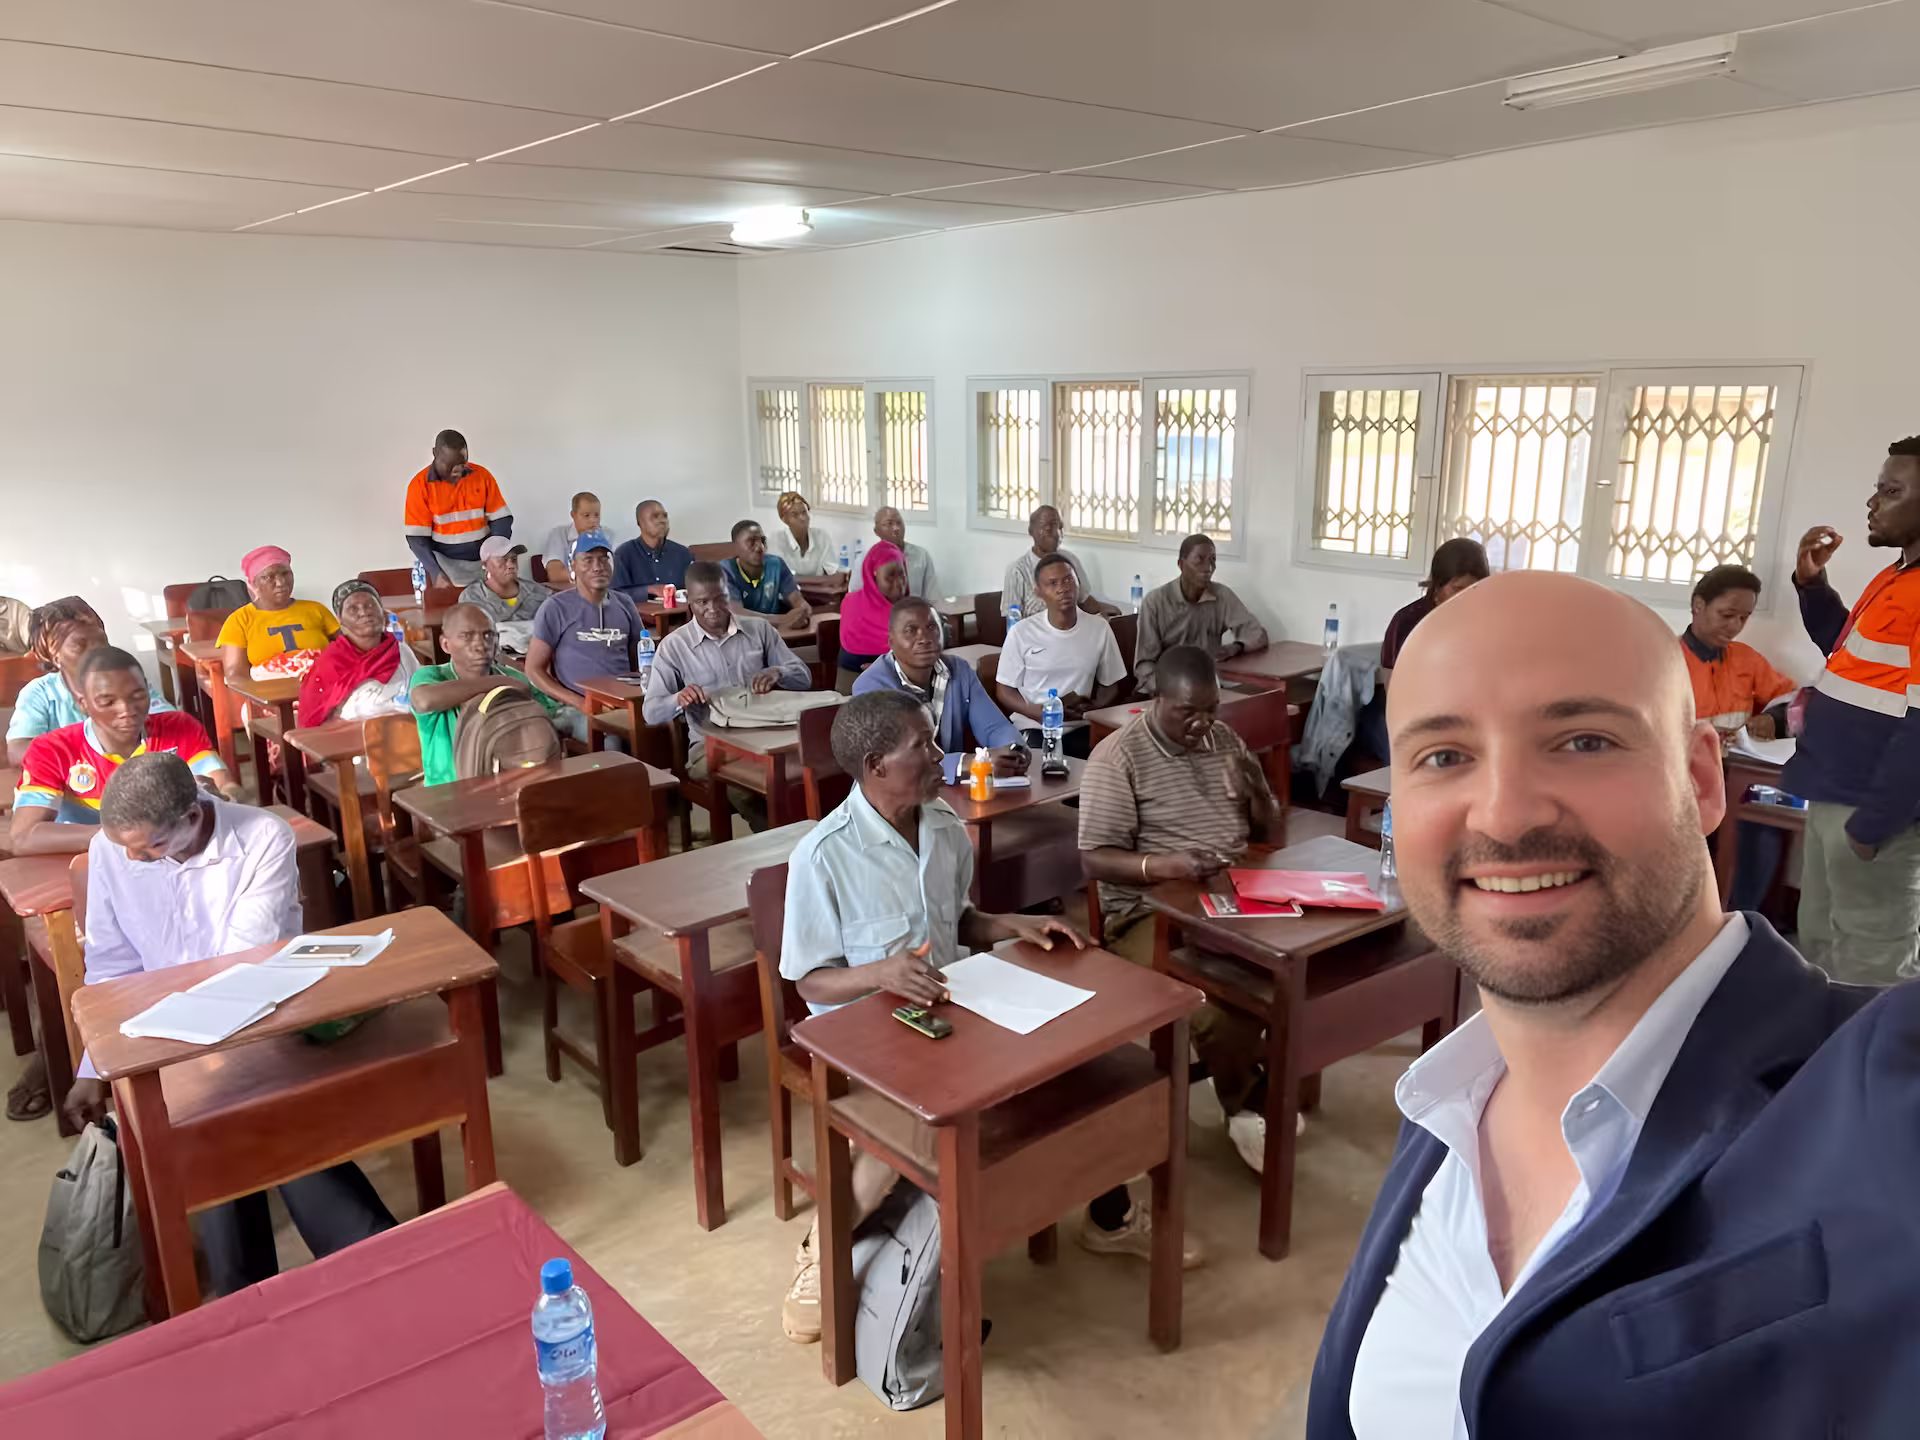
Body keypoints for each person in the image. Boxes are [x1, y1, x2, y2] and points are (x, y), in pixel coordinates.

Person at [1309, 569, 1920, 1440]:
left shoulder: (1879, 1102)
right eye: (1444, 756)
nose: (1508, 814)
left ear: (1703, 782)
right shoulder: (1441, 1108)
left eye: (1585, 740)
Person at [777, 692, 1198, 1343]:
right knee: (905, 1131)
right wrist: (882, 973)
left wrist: (1012, 925)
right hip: (865, 1039)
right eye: (920, 745)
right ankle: (823, 1248)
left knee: (1079, 1067)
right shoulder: (823, 855)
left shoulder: (943, 825)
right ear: (874, 765)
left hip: (952, 1009)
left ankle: (1106, 1215)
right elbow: (810, 977)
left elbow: (960, 920)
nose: (937, 753)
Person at [60, 754, 397, 1296]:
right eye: (125, 846)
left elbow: (242, 964)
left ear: (192, 817)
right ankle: (364, 1256)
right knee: (221, 1114)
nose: (133, 858)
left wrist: (192, 1056)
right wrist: (92, 1066)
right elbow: (111, 966)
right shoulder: (110, 851)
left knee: (228, 1108)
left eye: (149, 847)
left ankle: (255, 1285)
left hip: (259, 1015)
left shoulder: (262, 837)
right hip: (165, 1035)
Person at [1078, 645, 1287, 1171]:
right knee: (1217, 1002)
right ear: (1157, 699)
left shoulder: (1225, 740)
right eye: (1187, 712)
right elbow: (1094, 859)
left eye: (1211, 710)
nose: (1202, 724)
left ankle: (1266, 1083)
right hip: (1150, 914)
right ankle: (1249, 1106)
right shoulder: (1119, 758)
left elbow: (1269, 832)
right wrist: (1168, 865)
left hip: (1233, 897)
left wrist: (1257, 791)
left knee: (1299, 975)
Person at [1785, 437, 1920, 984]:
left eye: (1892, 491)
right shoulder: (1896, 577)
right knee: (1821, 944)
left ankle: (1873, 1071)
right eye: (1877, 488)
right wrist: (1812, 585)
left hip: (1873, 814)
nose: (1873, 502)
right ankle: (1827, 1064)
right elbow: (1847, 655)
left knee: (1874, 967)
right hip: (1831, 792)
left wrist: (1874, 825)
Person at [13, 646, 239, 855]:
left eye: (137, 696)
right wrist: (128, 837)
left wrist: (225, 798)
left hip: (171, 853)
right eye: (108, 702)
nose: (126, 710)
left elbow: (226, 787)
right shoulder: (52, 749)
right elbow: (23, 837)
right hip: (90, 859)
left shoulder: (179, 728)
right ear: (83, 704)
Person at [641, 561, 811, 829]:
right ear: (690, 605)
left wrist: (777, 672)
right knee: (744, 786)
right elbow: (650, 713)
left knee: (811, 773)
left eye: (720, 599)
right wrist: (678, 699)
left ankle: (804, 836)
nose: (712, 609)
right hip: (708, 747)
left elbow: (803, 677)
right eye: (702, 602)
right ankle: (782, 844)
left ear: (729, 595)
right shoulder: (674, 646)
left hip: (766, 738)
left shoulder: (759, 630)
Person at [1680, 565, 1800, 913]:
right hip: (1688, 782)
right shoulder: (1668, 660)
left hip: (1743, 779)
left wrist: (1769, 718)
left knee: (1765, 830)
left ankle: (1743, 921)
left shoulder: (1746, 659)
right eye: (1726, 614)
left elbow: (1789, 699)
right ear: (1698, 605)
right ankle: (1694, 921)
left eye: (1743, 618)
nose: (1734, 626)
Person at [853, 598, 1027, 770]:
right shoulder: (871, 686)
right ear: (891, 641)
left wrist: (1013, 750)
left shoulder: (959, 670)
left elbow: (994, 727)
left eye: (931, 627)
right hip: (896, 792)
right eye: (910, 630)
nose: (924, 638)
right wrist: (965, 763)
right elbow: (899, 760)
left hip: (949, 787)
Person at [8, 596, 173, 765]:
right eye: (80, 645)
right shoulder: (40, 694)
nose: (96, 651)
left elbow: (172, 724)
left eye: (101, 641)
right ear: (54, 656)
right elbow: (18, 750)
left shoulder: (127, 682)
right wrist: (86, 755)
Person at [411, 603, 562, 786]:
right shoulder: (433, 676)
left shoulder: (513, 676)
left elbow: (549, 715)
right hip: (448, 790)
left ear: (497, 641)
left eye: (488, 635)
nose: (480, 645)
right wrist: (499, 683)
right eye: (467, 636)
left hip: (508, 782)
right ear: (445, 644)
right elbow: (424, 701)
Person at [994, 554, 1125, 759]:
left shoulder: (1099, 628)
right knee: (1045, 768)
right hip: (1035, 726)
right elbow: (1004, 690)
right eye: (1052, 583)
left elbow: (1111, 684)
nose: (1063, 588)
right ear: (1038, 591)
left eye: (1068, 580)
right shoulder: (1022, 632)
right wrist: (1034, 711)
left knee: (1109, 760)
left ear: (1078, 583)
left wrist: (1095, 708)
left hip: (1081, 725)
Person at [525, 528, 646, 745]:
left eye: (603, 559)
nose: (598, 567)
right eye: (588, 560)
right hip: (576, 707)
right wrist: (581, 703)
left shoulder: (625, 603)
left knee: (669, 727)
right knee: (613, 743)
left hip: (623, 702)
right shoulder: (556, 607)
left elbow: (639, 659)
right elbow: (533, 669)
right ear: (573, 566)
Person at [1133, 535, 1269, 694]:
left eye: (1212, 560)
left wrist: (1236, 647)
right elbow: (1145, 665)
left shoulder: (1221, 596)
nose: (1208, 568)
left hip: (1207, 689)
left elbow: (1257, 634)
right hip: (1165, 691)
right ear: (1181, 565)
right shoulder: (1155, 602)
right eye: (1199, 560)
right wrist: (1170, 691)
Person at [298, 580, 420, 727]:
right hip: (350, 738)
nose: (364, 612)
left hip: (406, 732)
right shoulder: (331, 662)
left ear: (383, 611)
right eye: (353, 609)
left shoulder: (401, 651)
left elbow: (418, 692)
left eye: (370, 605)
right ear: (340, 620)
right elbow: (316, 718)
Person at [403, 429, 512, 587]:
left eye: (462, 463)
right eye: (451, 465)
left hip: (485, 563)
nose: (458, 470)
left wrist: (497, 556)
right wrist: (435, 572)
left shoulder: (482, 476)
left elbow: (501, 520)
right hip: (446, 567)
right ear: (435, 453)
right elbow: (417, 539)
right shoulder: (419, 486)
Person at [216, 545, 338, 684]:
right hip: (270, 696)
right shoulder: (239, 620)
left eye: (285, 574)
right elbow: (236, 676)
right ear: (253, 583)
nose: (281, 583)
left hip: (326, 687)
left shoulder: (316, 609)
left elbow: (349, 650)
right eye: (268, 577)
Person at [1378, 537, 1491, 677]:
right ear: (1438, 586)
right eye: (1457, 588)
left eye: (1474, 589)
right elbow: (1395, 686)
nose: (1466, 597)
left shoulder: (1485, 622)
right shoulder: (1407, 623)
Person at [1001, 505, 1118, 620]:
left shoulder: (1069, 560)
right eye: (1044, 526)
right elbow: (1012, 617)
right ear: (1031, 531)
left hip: (1071, 629)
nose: (1052, 532)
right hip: (1035, 634)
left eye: (1056, 525)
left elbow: (1083, 599)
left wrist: (1105, 611)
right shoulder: (1017, 570)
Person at [833, 540, 909, 690]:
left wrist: (891, 666)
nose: (899, 583)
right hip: (853, 683)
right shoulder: (852, 604)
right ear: (873, 578)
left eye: (902, 574)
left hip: (901, 681)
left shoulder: (911, 610)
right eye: (890, 577)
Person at [721, 520, 812, 634]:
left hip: (775, 634)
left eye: (763, 541)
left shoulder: (776, 564)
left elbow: (798, 600)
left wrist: (802, 612)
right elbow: (736, 614)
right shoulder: (724, 570)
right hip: (742, 635)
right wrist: (782, 620)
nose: (760, 547)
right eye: (752, 541)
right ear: (735, 547)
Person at [460, 535, 551, 630]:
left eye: (514, 559)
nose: (511, 565)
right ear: (484, 565)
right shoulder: (472, 598)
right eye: (502, 559)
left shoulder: (536, 591)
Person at [612, 498, 693, 601]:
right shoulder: (624, 554)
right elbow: (616, 595)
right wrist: (649, 590)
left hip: (679, 614)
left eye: (665, 516)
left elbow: (695, 588)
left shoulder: (682, 553)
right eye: (655, 517)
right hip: (640, 616)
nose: (662, 521)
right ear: (640, 523)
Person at [541, 491, 613, 588]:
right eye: (586, 515)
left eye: (596, 515)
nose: (593, 520)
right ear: (573, 515)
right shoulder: (559, 534)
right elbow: (555, 574)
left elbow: (617, 573)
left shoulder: (608, 535)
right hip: (569, 593)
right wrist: (593, 577)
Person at [866, 506, 938, 600]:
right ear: (876, 531)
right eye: (889, 523)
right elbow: (857, 594)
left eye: (899, 523)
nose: (896, 528)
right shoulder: (868, 559)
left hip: (915, 611)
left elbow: (933, 597)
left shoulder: (921, 556)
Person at [770, 491, 840, 577]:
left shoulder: (822, 537)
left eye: (804, 512)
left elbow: (833, 573)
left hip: (820, 590)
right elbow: (783, 580)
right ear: (784, 520)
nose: (802, 518)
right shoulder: (776, 540)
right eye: (795, 515)